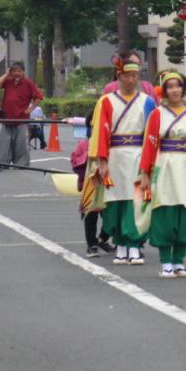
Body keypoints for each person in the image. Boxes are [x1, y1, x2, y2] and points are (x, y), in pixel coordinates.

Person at [137, 71, 186, 278]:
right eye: (170, 86)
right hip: (164, 165)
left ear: (183, 88)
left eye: (178, 86)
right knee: (164, 210)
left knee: (185, 210)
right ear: (164, 90)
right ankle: (165, 262)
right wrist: (145, 172)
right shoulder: (157, 114)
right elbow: (149, 144)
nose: (174, 90)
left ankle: (179, 261)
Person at [83, 59, 157, 264]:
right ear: (119, 77)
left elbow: (152, 133)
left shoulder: (147, 101)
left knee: (136, 200)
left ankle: (134, 244)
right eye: (127, 75)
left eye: (134, 76)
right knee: (114, 202)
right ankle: (120, 244)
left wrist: (150, 161)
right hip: (114, 155)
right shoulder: (106, 101)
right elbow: (99, 131)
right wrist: (102, 161)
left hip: (138, 155)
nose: (131, 79)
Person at [70, 107, 114, 258]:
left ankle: (102, 239)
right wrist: (89, 160)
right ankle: (92, 244)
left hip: (109, 183)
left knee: (111, 214)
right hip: (92, 185)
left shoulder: (112, 144)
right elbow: (75, 161)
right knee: (91, 214)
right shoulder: (84, 144)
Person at [0, 61, 44, 168]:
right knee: (3, 145)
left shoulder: (28, 83)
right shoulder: (8, 81)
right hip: (6, 119)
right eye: (14, 71)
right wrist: (6, 74)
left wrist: (31, 109)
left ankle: (21, 165)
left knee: (21, 145)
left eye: (19, 71)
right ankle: (2, 164)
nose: (16, 73)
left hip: (21, 120)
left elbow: (38, 96)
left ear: (23, 72)